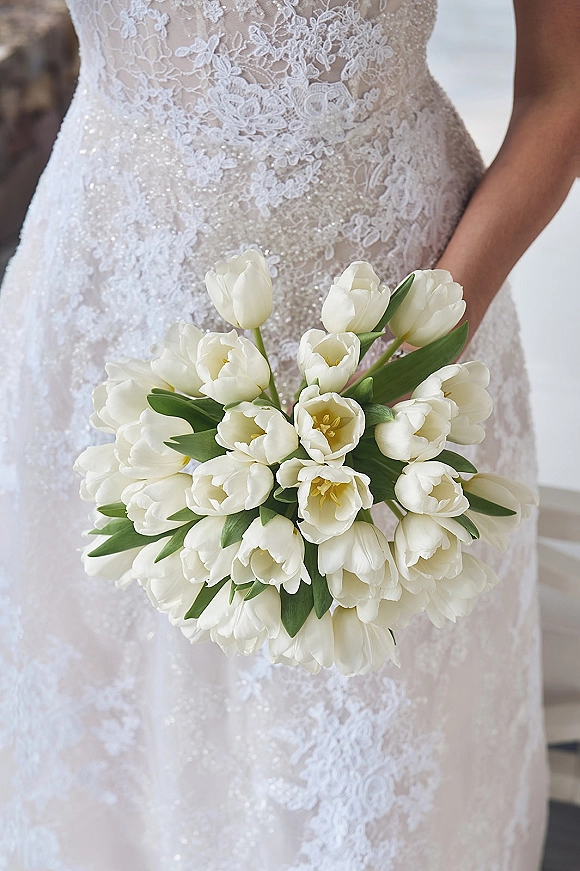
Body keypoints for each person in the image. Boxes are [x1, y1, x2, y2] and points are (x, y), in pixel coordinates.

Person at [0, 0, 577, 867]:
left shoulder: (408, 360)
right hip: (107, 303)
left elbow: (561, 89)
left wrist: (416, 353)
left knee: (367, 748)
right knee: (119, 722)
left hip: (396, 325)